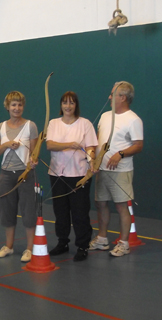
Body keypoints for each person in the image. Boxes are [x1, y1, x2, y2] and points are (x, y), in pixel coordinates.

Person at [89, 81, 143, 257]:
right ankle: (102, 238)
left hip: (121, 171)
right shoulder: (105, 116)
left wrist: (120, 154)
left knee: (121, 206)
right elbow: (97, 140)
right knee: (101, 203)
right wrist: (93, 158)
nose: (109, 97)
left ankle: (124, 243)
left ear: (123, 97)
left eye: (113, 94)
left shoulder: (133, 119)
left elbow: (138, 145)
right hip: (101, 169)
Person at [46, 92, 98, 261]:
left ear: (76, 105)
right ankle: (63, 242)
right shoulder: (54, 123)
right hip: (57, 174)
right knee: (60, 211)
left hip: (80, 174)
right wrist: (70, 145)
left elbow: (91, 147)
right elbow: (50, 145)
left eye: (72, 103)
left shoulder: (85, 124)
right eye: (65, 103)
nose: (68, 106)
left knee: (80, 212)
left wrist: (92, 161)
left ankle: (83, 245)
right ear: (60, 105)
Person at [0, 91, 39, 262]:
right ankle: (9, 246)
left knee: (28, 211)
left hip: (24, 174)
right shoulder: (1, 127)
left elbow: (34, 153)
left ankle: (29, 248)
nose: (16, 108)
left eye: (19, 105)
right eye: (13, 105)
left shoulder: (30, 126)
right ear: (8, 107)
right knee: (7, 211)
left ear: (23, 106)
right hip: (6, 174)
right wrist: (6, 144)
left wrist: (32, 162)